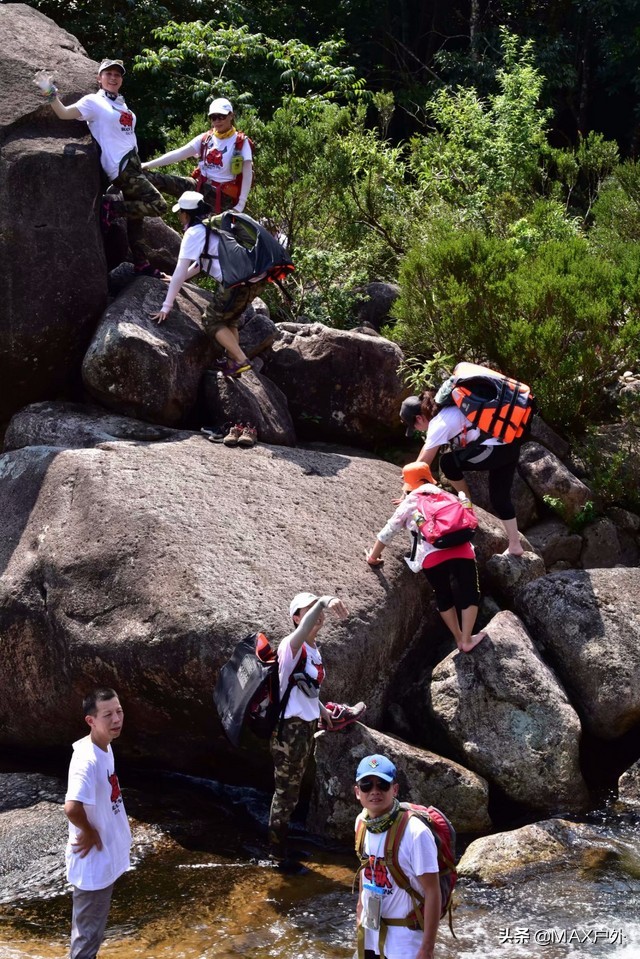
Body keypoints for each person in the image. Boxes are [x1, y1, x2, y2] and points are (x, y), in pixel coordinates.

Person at [36, 59, 167, 276]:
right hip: (120, 166)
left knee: (136, 220)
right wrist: (49, 91)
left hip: (133, 163)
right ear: (99, 78)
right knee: (158, 205)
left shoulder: (122, 104)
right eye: (108, 74)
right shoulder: (93, 102)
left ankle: (141, 263)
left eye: (117, 75)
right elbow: (64, 113)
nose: (113, 78)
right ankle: (111, 209)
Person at [268, 591, 365, 872]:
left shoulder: (312, 649)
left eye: (314, 607)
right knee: (285, 794)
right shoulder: (292, 645)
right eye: (306, 609)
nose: (314, 612)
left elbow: (304, 687)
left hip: (306, 727)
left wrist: (322, 710)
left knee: (293, 792)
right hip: (289, 731)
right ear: (297, 618)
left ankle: (283, 845)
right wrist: (322, 601)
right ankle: (276, 855)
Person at [366, 462, 486, 653]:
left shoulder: (410, 503)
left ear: (409, 484)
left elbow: (388, 532)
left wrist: (373, 557)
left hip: (431, 557)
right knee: (470, 592)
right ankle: (466, 639)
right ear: (429, 478)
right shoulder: (448, 496)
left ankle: (457, 637)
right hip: (462, 550)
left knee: (443, 594)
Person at [150, 190, 263, 377]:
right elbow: (202, 263)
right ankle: (232, 363)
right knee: (230, 319)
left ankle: (242, 359)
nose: (179, 216)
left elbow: (180, 269)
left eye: (180, 213)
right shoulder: (215, 224)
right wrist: (181, 279)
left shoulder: (194, 232)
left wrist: (166, 306)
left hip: (235, 282)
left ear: (186, 214)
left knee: (211, 321)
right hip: (254, 278)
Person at [400, 390, 524, 556]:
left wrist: (405, 494)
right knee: (499, 498)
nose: (417, 430)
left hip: (495, 449)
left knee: (448, 462)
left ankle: (467, 505)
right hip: (509, 444)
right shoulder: (447, 411)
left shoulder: (439, 423)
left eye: (414, 427)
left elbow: (421, 466)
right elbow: (426, 448)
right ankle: (515, 545)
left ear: (419, 418)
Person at [64, 688, 131, 959]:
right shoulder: (86, 760)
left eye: (119, 711)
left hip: (104, 858)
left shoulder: (105, 746)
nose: (116, 719)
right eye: (108, 714)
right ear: (91, 720)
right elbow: (71, 807)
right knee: (86, 940)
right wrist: (89, 832)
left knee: (90, 934)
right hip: (92, 863)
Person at [354, 754, 441, 959]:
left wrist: (427, 949)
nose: (374, 791)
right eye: (366, 785)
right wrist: (359, 916)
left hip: (406, 940)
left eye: (382, 784)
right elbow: (366, 872)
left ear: (394, 789)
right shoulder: (361, 823)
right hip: (370, 932)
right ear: (357, 792)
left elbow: (432, 891)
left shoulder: (415, 832)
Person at [141, 97, 253, 214]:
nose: (217, 121)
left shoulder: (241, 142)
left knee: (209, 229)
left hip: (222, 196)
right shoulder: (206, 138)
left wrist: (240, 205)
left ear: (231, 116)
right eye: (213, 117)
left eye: (221, 116)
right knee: (154, 178)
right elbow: (179, 153)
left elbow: (247, 174)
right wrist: (148, 165)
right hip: (199, 186)